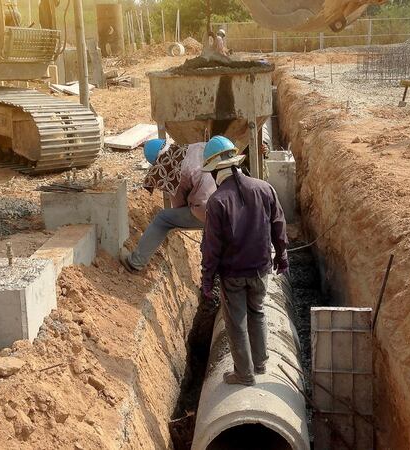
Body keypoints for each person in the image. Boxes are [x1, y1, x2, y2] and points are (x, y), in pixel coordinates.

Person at [199, 135, 289, 386]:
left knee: (236, 323)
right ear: (236, 162)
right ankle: (260, 363)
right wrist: (281, 256)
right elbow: (279, 226)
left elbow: (211, 248)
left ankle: (244, 374)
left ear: (215, 170)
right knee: (257, 312)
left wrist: (207, 279)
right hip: (261, 269)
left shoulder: (217, 202)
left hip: (234, 274)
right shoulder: (264, 188)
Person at [120, 139, 217, 272]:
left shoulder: (171, 169)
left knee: (163, 219)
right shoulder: (196, 147)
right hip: (233, 201)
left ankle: (135, 262)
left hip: (211, 210)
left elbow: (179, 206)